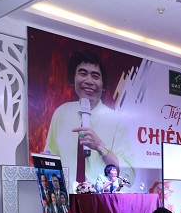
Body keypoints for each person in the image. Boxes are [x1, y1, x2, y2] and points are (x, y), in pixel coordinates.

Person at [44, 50, 133, 187]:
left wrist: (100, 147)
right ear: (73, 79)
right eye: (83, 74)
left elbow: (129, 177)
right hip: (67, 197)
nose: (89, 81)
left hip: (101, 198)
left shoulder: (116, 121)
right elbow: (50, 160)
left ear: (103, 85)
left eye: (95, 76)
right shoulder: (61, 113)